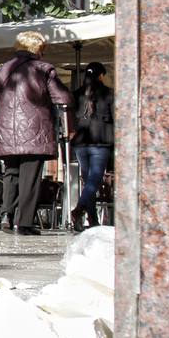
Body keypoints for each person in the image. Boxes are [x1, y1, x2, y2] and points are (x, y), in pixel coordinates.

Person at [0, 31, 73, 236]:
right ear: (37, 49)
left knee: (11, 172)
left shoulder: (3, 69)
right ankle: (24, 222)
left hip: (6, 130)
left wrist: (2, 116)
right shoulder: (43, 69)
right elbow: (62, 97)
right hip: (35, 130)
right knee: (30, 176)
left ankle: (6, 215)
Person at [71, 61, 114, 231]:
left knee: (88, 181)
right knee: (94, 181)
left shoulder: (77, 94)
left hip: (81, 143)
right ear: (101, 76)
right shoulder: (109, 94)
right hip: (101, 142)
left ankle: (93, 219)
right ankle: (79, 210)